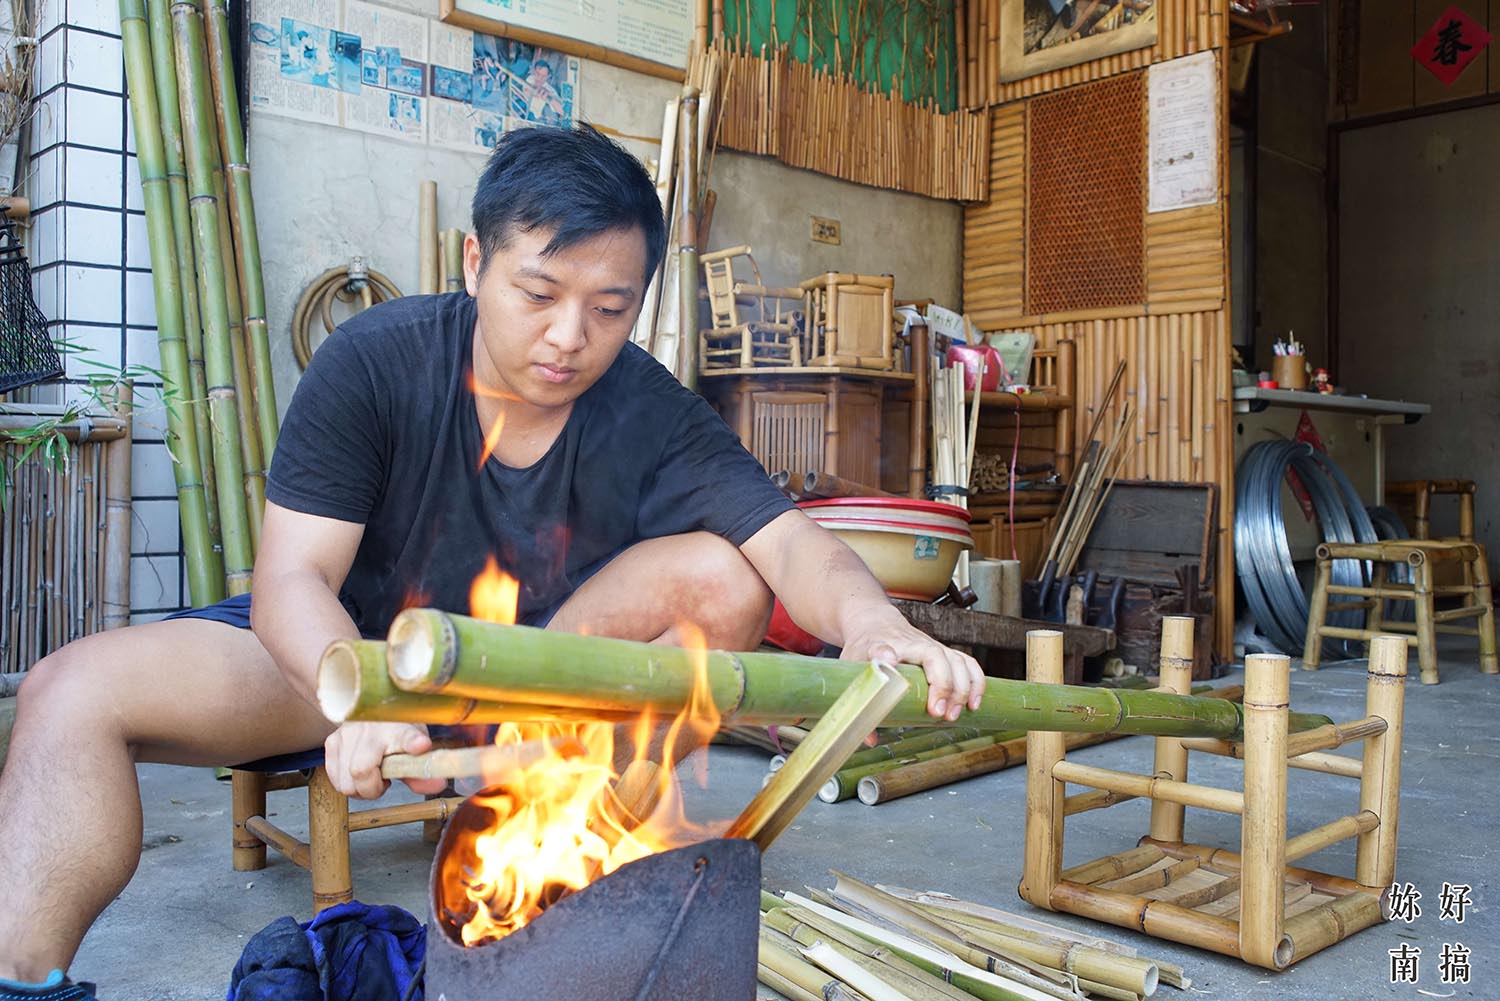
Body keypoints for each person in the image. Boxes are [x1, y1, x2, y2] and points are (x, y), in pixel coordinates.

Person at [0, 125, 984, 996]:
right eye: (539, 292)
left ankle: (558, 861)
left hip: (532, 689)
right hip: (349, 666)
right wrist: (365, 700)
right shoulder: (375, 361)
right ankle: (25, 983)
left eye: (609, 306)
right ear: (475, 262)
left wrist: (873, 623)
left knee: (724, 574)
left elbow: (792, 545)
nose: (570, 336)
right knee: (70, 691)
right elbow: (293, 579)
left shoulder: (650, 407)